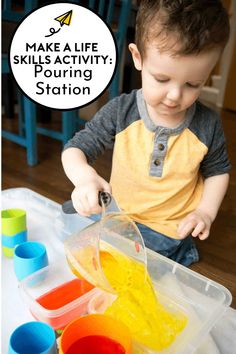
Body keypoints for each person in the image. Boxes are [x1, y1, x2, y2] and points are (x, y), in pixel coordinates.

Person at [62, 0, 231, 266]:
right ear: (138, 58)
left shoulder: (206, 124)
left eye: (193, 84)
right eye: (162, 79)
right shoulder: (121, 111)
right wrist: (85, 179)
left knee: (132, 266)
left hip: (168, 228)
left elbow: (218, 171)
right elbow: (75, 149)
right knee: (73, 220)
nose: (175, 96)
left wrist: (205, 212)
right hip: (119, 214)